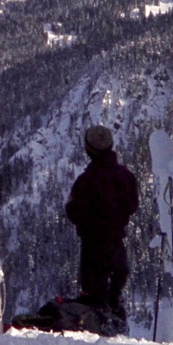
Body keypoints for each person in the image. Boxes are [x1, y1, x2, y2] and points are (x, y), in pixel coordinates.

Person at [65, 125, 139, 321]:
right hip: (117, 244)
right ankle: (116, 328)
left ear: (89, 150)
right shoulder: (126, 176)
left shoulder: (85, 181)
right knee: (114, 296)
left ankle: (99, 331)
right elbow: (132, 205)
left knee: (94, 300)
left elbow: (73, 212)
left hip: (92, 248)